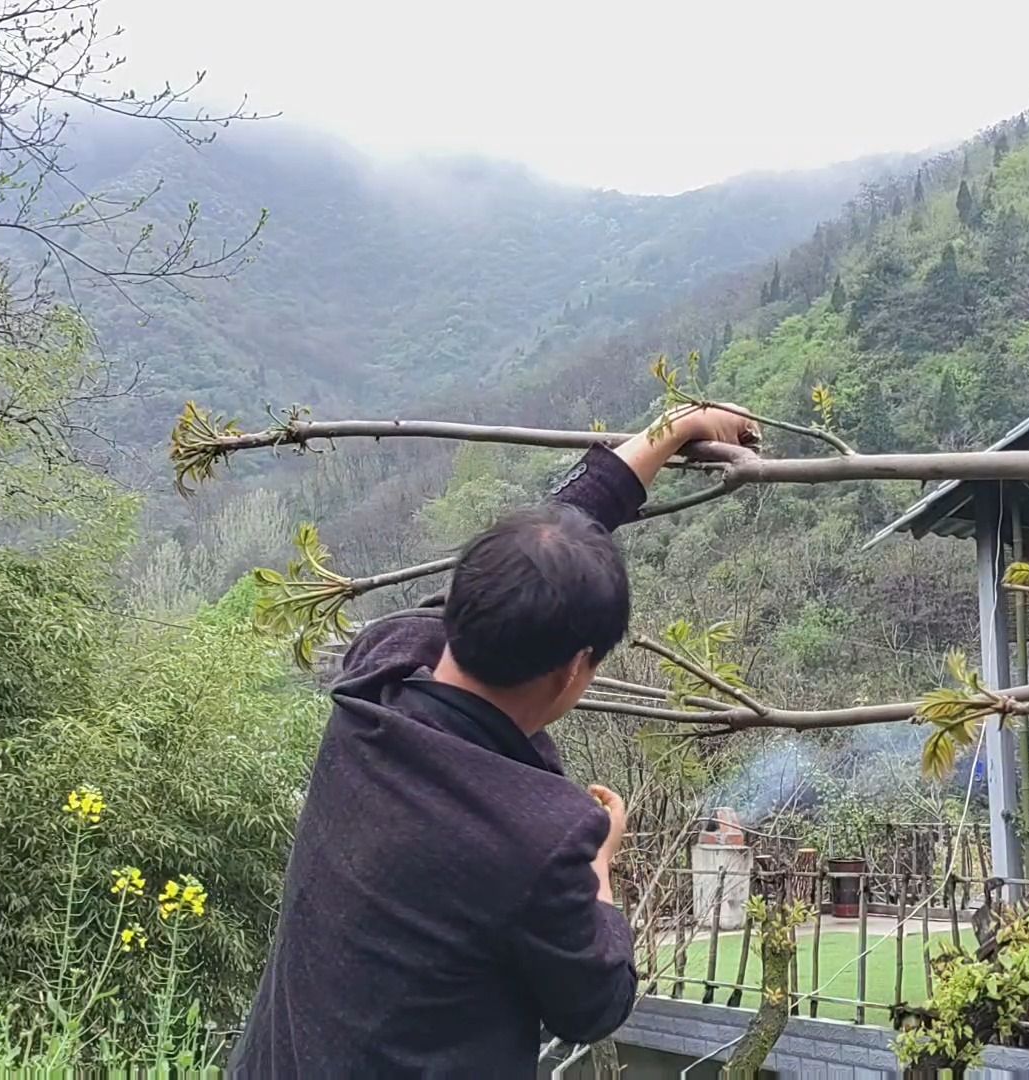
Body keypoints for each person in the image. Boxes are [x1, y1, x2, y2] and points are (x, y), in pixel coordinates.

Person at [230, 404, 761, 1078]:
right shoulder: (544, 836)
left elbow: (542, 548)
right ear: (575, 670)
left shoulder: (372, 680)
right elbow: (595, 1005)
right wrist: (600, 864)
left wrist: (674, 429)